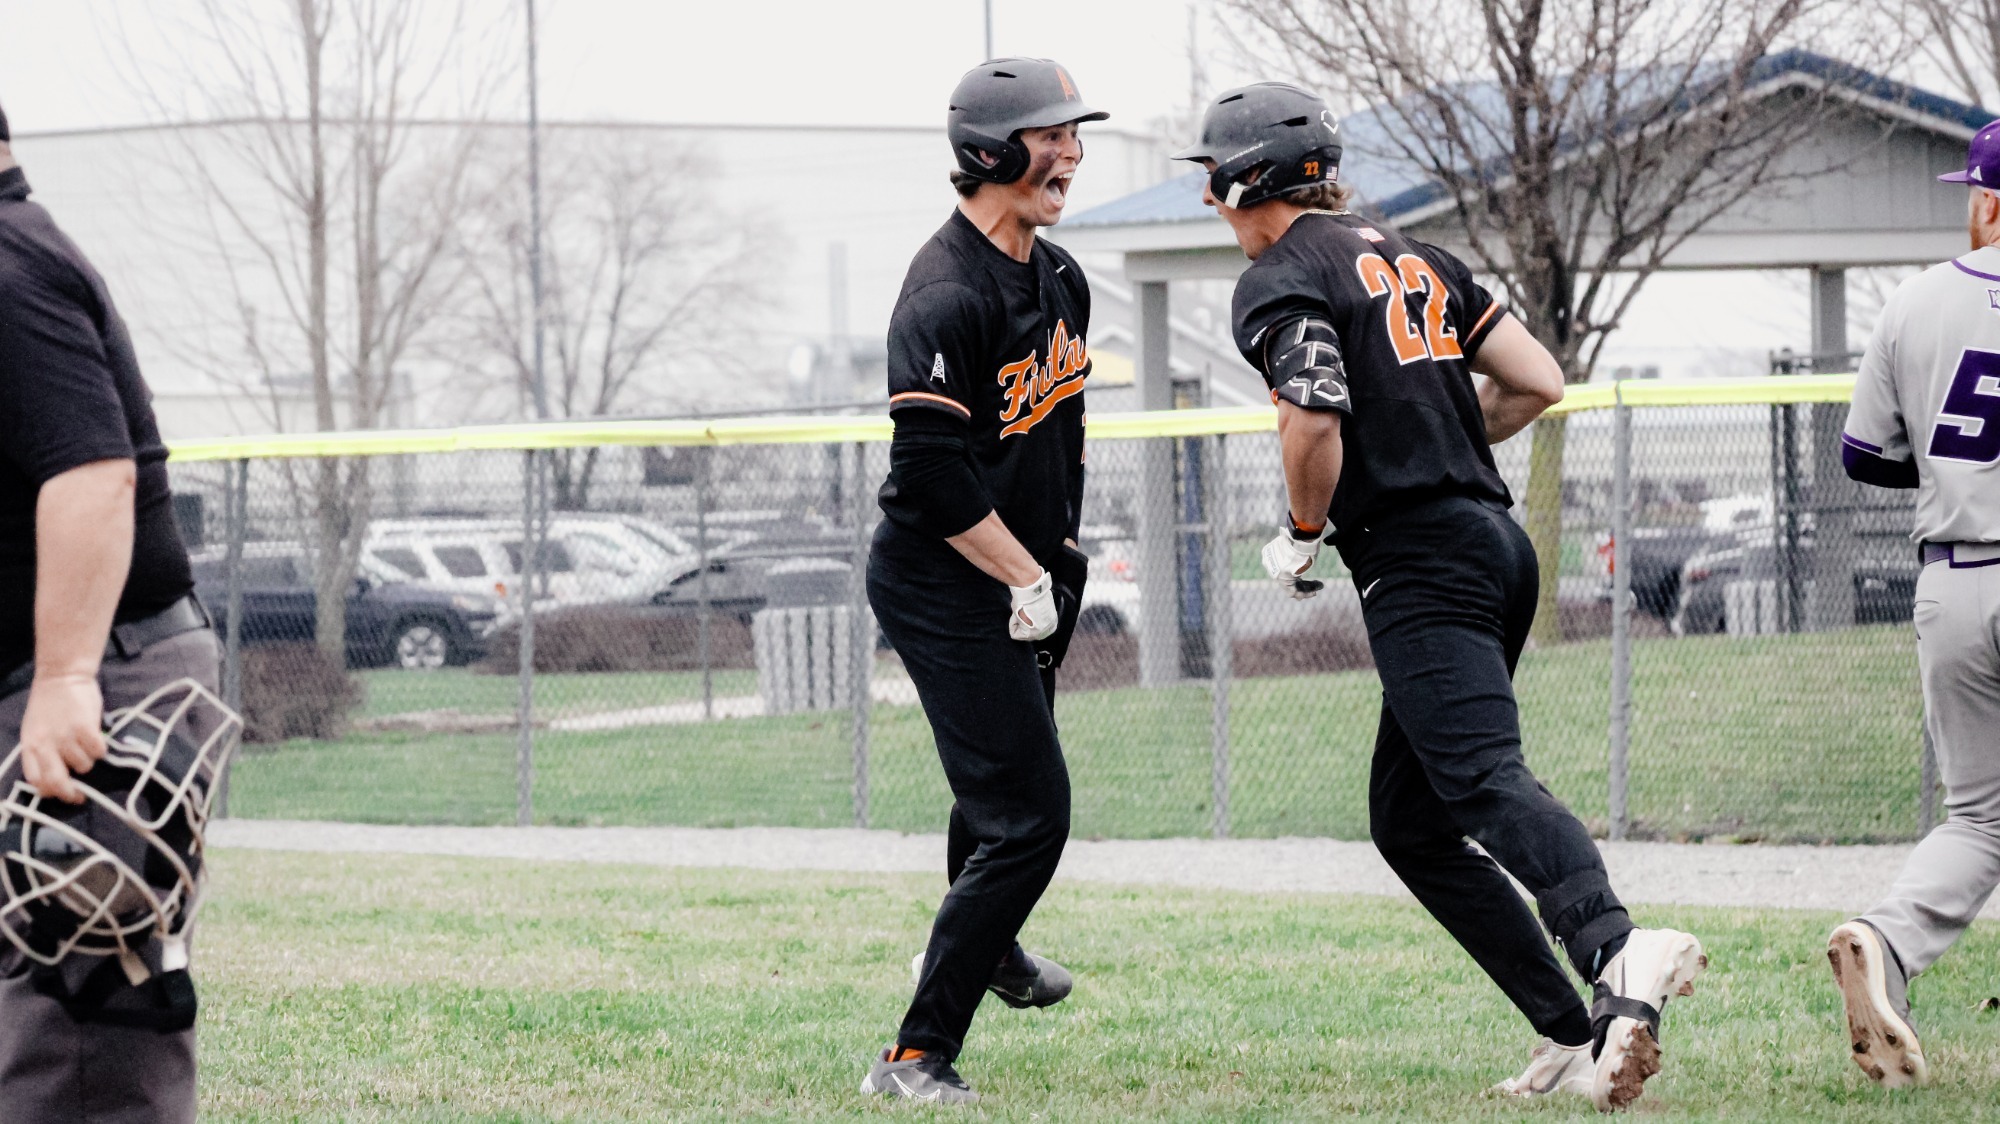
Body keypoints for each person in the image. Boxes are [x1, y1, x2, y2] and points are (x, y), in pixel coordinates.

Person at [1179, 82, 1706, 1112]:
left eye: (1212, 183)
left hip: (1419, 552)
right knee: (1410, 820)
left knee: (1477, 778)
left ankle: (1617, 947)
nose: (1211, 204)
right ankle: (1568, 1026)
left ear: (1247, 180)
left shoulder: (1280, 274)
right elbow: (1535, 379)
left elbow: (1312, 416)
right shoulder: (1412, 252)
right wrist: (1441, 439)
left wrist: (1297, 532)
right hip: (1493, 543)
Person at [857, 58, 1100, 1106]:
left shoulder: (1061, 278)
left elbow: (1059, 436)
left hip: (1025, 574)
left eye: (1072, 135)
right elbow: (929, 472)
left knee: (999, 787)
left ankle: (988, 947)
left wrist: (1049, 567)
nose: (1071, 154)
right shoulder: (942, 290)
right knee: (1030, 811)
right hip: (941, 579)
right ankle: (912, 1055)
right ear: (989, 152)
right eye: (1050, 136)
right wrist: (1019, 575)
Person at [0, 100, 223, 1123]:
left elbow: (91, 476)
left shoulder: (6, 265)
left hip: (98, 677)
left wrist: (64, 677)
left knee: (81, 1032)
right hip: (74, 669)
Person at [1828, 118, 2000, 1091]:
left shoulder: (1916, 298)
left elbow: (1861, 455)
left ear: (1984, 200)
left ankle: (1883, 943)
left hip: (1953, 578)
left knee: (1977, 815)